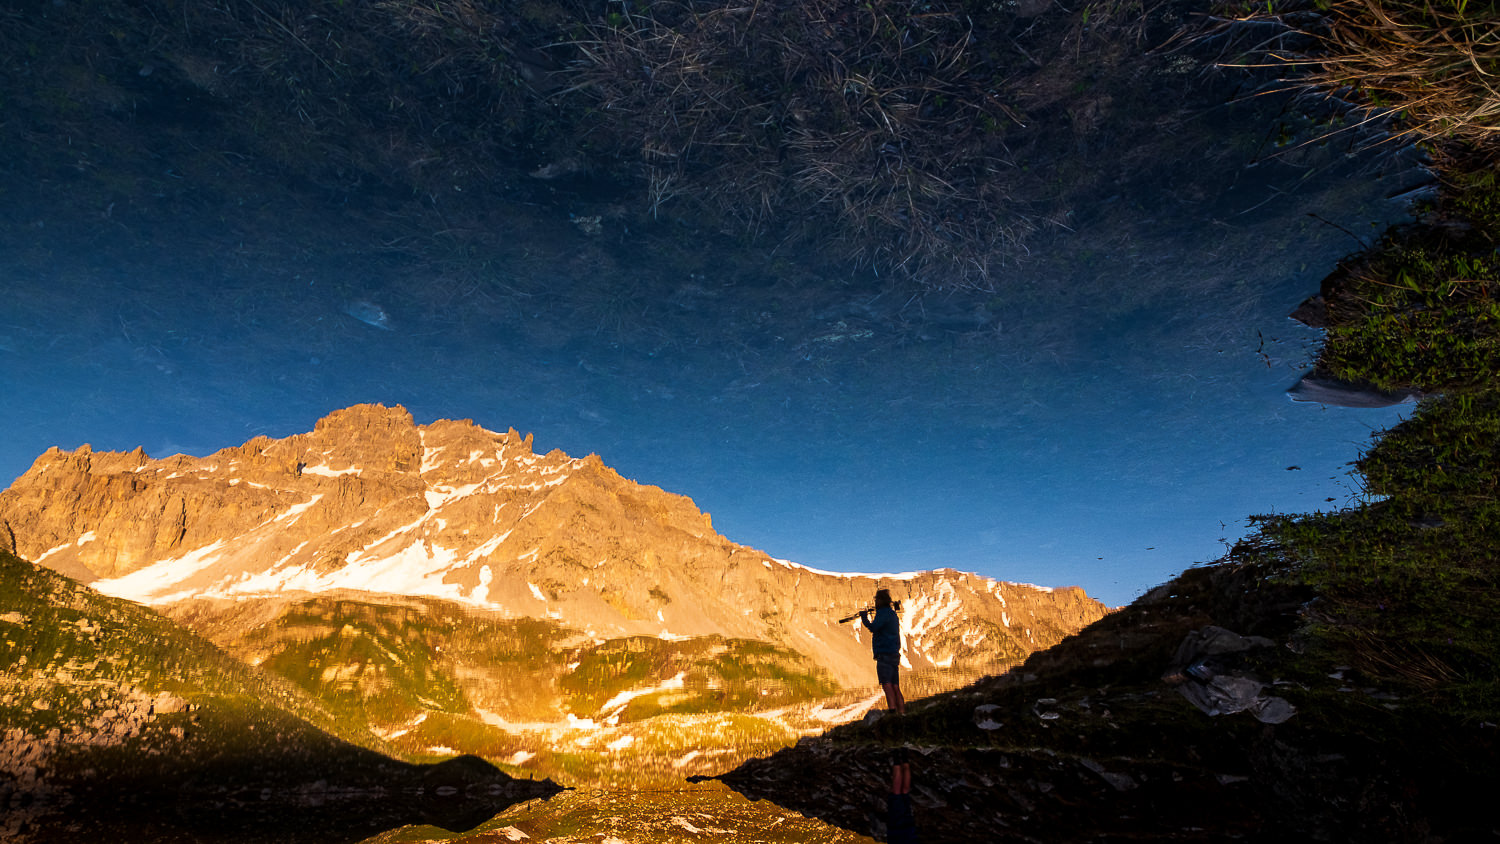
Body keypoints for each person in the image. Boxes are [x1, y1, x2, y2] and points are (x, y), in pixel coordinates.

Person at [860, 588, 905, 714]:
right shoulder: (892, 614)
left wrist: (864, 618)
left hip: (884, 654)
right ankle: (902, 713)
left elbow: (874, 627)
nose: (875, 602)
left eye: (876, 599)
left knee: (887, 684)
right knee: (895, 686)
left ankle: (892, 713)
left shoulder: (883, 613)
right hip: (894, 654)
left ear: (879, 600)